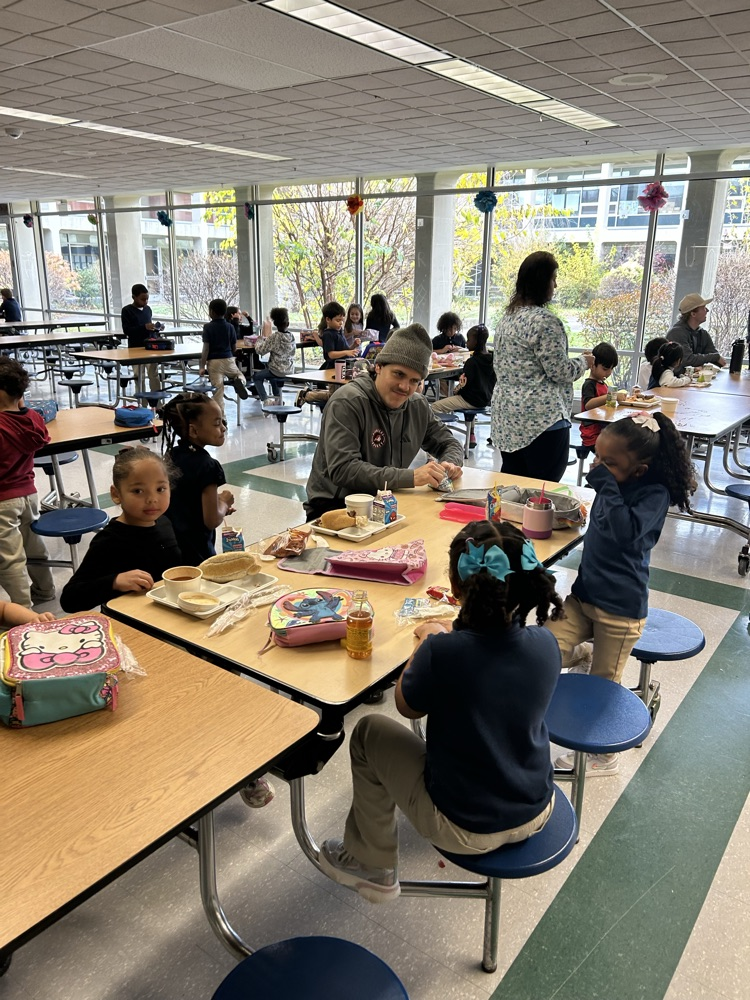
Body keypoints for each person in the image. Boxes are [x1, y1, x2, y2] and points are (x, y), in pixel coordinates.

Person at [318, 519, 564, 903]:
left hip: (468, 829)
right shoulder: (546, 644)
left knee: (368, 732)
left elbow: (406, 707)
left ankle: (371, 861)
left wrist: (427, 641)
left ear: (454, 586)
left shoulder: (444, 652)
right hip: (537, 807)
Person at [547, 412, 696, 775]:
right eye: (597, 456)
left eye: (609, 463)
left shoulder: (652, 494)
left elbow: (625, 532)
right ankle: (582, 652)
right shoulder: (610, 487)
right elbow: (598, 531)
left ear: (640, 470)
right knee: (543, 650)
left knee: (602, 688)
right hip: (583, 599)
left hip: (620, 613)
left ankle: (604, 756)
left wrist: (606, 486)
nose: (597, 467)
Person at [304, 323, 464, 521]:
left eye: (415, 381)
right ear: (378, 367)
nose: (405, 387)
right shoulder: (347, 402)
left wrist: (449, 464)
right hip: (336, 507)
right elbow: (344, 470)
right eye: (399, 374)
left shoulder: (417, 405)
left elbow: (450, 443)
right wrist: (411, 477)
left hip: (387, 501)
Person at [491, 251, 594, 481]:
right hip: (542, 422)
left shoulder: (507, 319)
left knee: (512, 490)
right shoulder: (545, 322)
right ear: (542, 281)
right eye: (553, 278)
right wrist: (584, 362)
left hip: (507, 419)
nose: (555, 284)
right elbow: (560, 372)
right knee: (542, 494)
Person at [60, 447, 182, 612]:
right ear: (116, 494)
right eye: (138, 491)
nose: (152, 499)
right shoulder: (109, 540)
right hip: (130, 625)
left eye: (160, 489)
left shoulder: (164, 523)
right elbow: (70, 599)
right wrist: (115, 581)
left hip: (167, 616)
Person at [0, 358, 55, 609]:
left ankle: (22, 609)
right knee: (33, 545)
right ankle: (45, 590)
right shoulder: (33, 417)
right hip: (29, 493)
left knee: (11, 558)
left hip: (2, 500)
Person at [159, 393, 235, 565]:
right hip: (196, 549)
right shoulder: (207, 466)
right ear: (194, 430)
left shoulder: (172, 455)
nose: (223, 428)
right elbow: (212, 520)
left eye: (223, 421)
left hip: (171, 543)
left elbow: (186, 498)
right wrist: (223, 503)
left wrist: (215, 504)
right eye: (216, 423)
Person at [430, 324, 496, 448]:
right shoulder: (492, 359)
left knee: (433, 407)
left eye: (469, 339)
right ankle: (471, 435)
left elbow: (464, 385)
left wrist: (456, 391)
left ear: (475, 341)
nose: (467, 342)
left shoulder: (472, 362)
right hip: (486, 399)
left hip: (471, 399)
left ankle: (441, 439)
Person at [199, 298, 248, 413]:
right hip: (228, 359)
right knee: (239, 375)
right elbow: (234, 348)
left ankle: (221, 420)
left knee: (218, 392)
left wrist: (202, 366)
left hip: (214, 363)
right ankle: (240, 381)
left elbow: (206, 348)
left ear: (211, 312)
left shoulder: (208, 327)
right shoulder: (230, 327)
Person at [666, 293, 726, 371]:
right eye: (704, 308)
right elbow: (688, 360)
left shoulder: (703, 334)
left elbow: (715, 357)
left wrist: (718, 359)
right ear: (693, 314)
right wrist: (715, 357)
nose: (707, 310)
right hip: (675, 381)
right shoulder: (676, 333)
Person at [120, 283, 161, 392]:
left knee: (154, 374)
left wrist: (156, 329)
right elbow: (127, 330)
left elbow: (149, 327)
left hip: (149, 346)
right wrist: (144, 327)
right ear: (134, 297)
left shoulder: (148, 309)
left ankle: (156, 402)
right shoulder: (127, 311)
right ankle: (141, 402)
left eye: (147, 299)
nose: (145, 302)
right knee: (139, 376)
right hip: (135, 347)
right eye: (143, 299)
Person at [252, 307, 296, 401]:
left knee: (256, 377)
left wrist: (259, 340)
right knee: (271, 375)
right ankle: (278, 400)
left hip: (276, 370)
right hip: (289, 369)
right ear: (288, 323)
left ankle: (265, 400)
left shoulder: (274, 337)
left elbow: (260, 350)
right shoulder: (291, 336)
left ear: (275, 324)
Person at [580, 342, 618, 449]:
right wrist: (609, 396)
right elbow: (588, 405)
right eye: (605, 369)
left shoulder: (602, 384)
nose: (609, 373)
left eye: (612, 369)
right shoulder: (589, 384)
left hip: (603, 430)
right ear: (592, 365)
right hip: (592, 434)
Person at [319, 301, 358, 370]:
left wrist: (353, 346)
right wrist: (346, 352)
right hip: (333, 367)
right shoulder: (328, 334)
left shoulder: (339, 332)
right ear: (328, 319)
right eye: (338, 320)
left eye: (342, 321)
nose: (341, 323)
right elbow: (331, 354)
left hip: (343, 365)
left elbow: (345, 350)